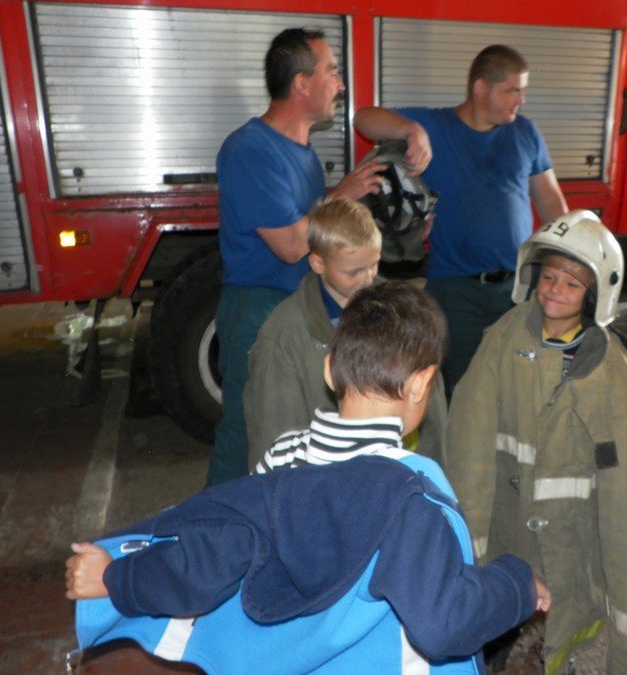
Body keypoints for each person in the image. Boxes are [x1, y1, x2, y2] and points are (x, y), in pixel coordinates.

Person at [65, 282, 550, 674]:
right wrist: (517, 584)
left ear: (330, 372)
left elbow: (208, 559)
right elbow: (443, 622)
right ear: (422, 382)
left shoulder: (280, 463)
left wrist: (115, 577)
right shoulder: (411, 495)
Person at [445, 210, 627, 674]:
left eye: (570, 283)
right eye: (547, 276)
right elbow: (468, 442)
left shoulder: (617, 380)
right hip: (506, 533)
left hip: (572, 547)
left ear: (597, 294)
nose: (552, 290)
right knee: (492, 631)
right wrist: (468, 558)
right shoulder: (505, 338)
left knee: (564, 636)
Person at [209, 27, 404, 485]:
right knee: (247, 434)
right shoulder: (249, 149)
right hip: (258, 310)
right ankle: (218, 523)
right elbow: (292, 245)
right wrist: (341, 195)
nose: (341, 83)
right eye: (332, 71)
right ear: (301, 83)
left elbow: (319, 235)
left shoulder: (301, 152)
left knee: (295, 430)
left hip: (299, 304)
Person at [353, 44, 569, 397]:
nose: (520, 100)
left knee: (518, 384)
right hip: (456, 291)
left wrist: (571, 258)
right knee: (461, 389)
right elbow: (363, 118)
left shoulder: (525, 132)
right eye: (511, 90)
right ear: (480, 88)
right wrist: (410, 130)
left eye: (522, 90)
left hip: (517, 287)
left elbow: (549, 199)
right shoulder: (435, 126)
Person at [244, 197, 447, 469]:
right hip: (322, 482)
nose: (367, 279)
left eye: (374, 265)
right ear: (318, 263)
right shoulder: (284, 338)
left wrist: (434, 478)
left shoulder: (401, 316)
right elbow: (273, 435)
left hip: (400, 475)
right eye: (353, 272)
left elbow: (431, 415)